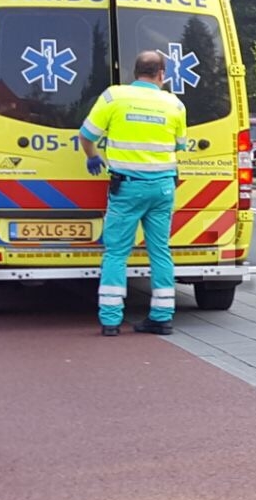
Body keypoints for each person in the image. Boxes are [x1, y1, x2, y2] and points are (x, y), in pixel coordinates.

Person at [79, 51, 188, 337]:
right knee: (160, 252)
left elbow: (87, 135)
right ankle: (162, 317)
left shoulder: (114, 97)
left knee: (116, 252)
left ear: (136, 71)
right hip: (163, 188)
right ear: (161, 74)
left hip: (126, 187)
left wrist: (93, 156)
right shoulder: (175, 104)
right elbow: (180, 146)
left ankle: (111, 320)